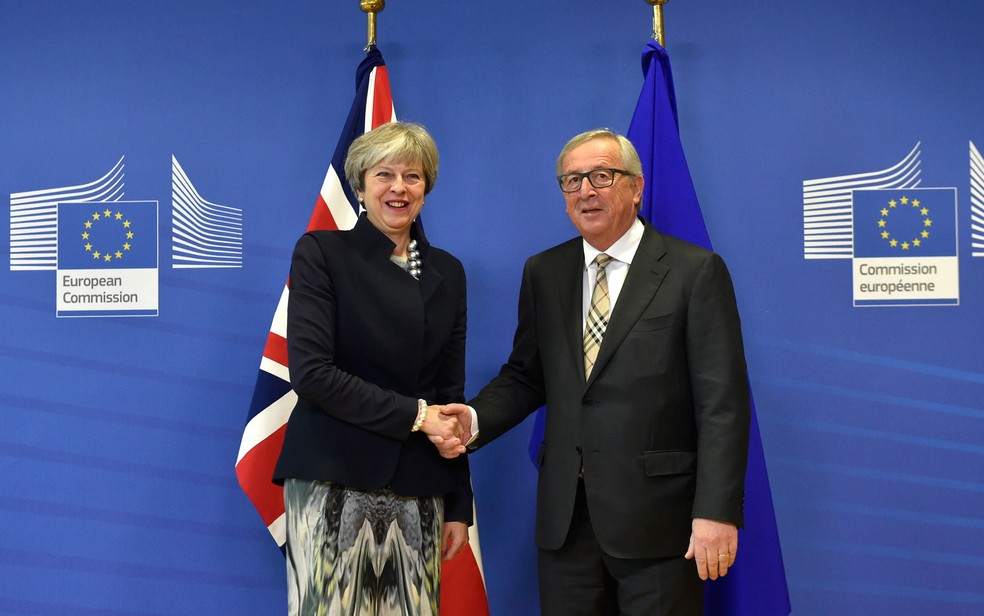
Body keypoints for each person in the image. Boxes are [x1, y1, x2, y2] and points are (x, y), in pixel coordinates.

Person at [442, 129, 751, 615]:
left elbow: (722, 404)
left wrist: (716, 510)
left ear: (636, 187)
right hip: (566, 524)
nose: (585, 190)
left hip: (660, 524)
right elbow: (526, 376)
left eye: (601, 176)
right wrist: (474, 419)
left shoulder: (695, 271)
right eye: (572, 180)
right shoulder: (545, 272)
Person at [273, 121, 472, 616]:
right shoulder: (322, 253)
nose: (399, 188)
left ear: (426, 188)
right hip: (332, 476)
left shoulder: (448, 271)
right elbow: (313, 375)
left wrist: (459, 504)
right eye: (384, 175)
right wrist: (416, 416)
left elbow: (450, 395)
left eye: (412, 176)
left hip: (421, 483)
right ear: (360, 187)